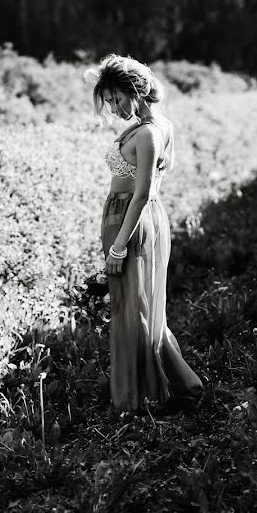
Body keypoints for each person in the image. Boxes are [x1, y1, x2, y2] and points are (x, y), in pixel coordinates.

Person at [86, 54, 203, 413]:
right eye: (109, 101)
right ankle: (168, 385)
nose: (114, 107)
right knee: (140, 307)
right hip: (132, 219)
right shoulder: (159, 125)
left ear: (135, 91)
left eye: (117, 99)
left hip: (132, 222)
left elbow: (143, 193)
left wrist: (119, 247)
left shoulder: (150, 132)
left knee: (130, 308)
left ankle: (138, 397)